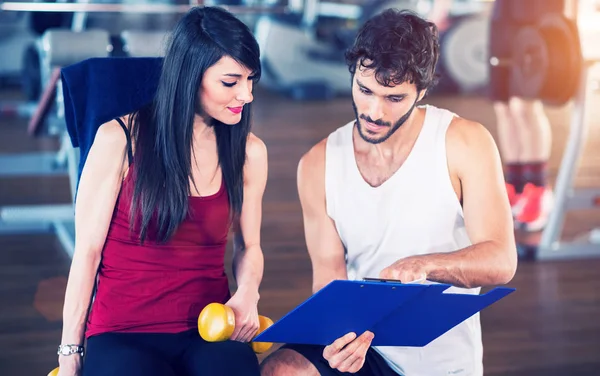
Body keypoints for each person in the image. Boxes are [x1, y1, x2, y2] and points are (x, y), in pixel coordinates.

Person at [260, 9, 517, 376]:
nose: (374, 111)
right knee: (281, 369)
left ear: (422, 91)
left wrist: (424, 265)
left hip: (443, 362)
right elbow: (329, 280)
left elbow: (501, 261)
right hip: (369, 349)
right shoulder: (317, 164)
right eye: (365, 90)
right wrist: (338, 339)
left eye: (394, 98)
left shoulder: (464, 142)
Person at [56, 6, 268, 376]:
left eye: (251, 80)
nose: (246, 95)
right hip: (123, 331)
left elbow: (249, 246)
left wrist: (248, 291)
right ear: (189, 77)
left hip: (208, 329)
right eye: (231, 82)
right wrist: (70, 350)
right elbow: (87, 253)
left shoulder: (249, 151)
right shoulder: (119, 140)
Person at [489, 0, 564, 232]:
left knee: (524, 105)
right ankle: (516, 186)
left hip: (538, 13)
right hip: (503, 15)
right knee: (503, 107)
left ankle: (537, 188)